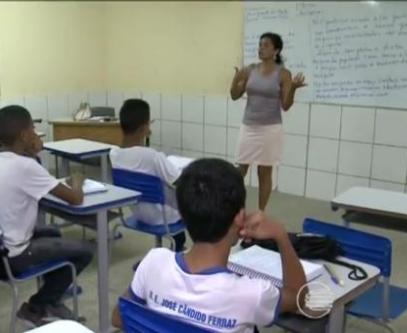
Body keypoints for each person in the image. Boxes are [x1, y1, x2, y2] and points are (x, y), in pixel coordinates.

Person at [111, 158, 307, 333]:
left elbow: (119, 318)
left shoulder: (154, 261)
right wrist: (281, 235)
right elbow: (301, 297)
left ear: (183, 212)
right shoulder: (251, 294)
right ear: (239, 217)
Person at [0, 105, 93, 326]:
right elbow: (76, 198)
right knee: (85, 251)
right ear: (24, 134)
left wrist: (34, 151)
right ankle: (35, 308)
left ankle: (51, 298)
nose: (37, 133)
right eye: (33, 129)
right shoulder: (25, 166)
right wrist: (77, 181)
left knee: (53, 231)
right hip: (12, 254)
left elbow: (31, 179)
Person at [230, 32, 307, 211]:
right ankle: (236, 209)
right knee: (240, 170)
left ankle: (261, 213)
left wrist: (293, 88)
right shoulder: (250, 70)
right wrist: (235, 80)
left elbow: (286, 105)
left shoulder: (284, 74)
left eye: (266, 45)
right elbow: (234, 95)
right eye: (260, 45)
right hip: (248, 126)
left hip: (270, 129)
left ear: (276, 50)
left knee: (264, 172)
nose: (261, 48)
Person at [109, 98, 186, 251]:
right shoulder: (152, 157)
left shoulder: (114, 154)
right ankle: (178, 251)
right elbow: (180, 181)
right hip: (162, 218)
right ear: (144, 129)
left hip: (137, 213)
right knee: (192, 201)